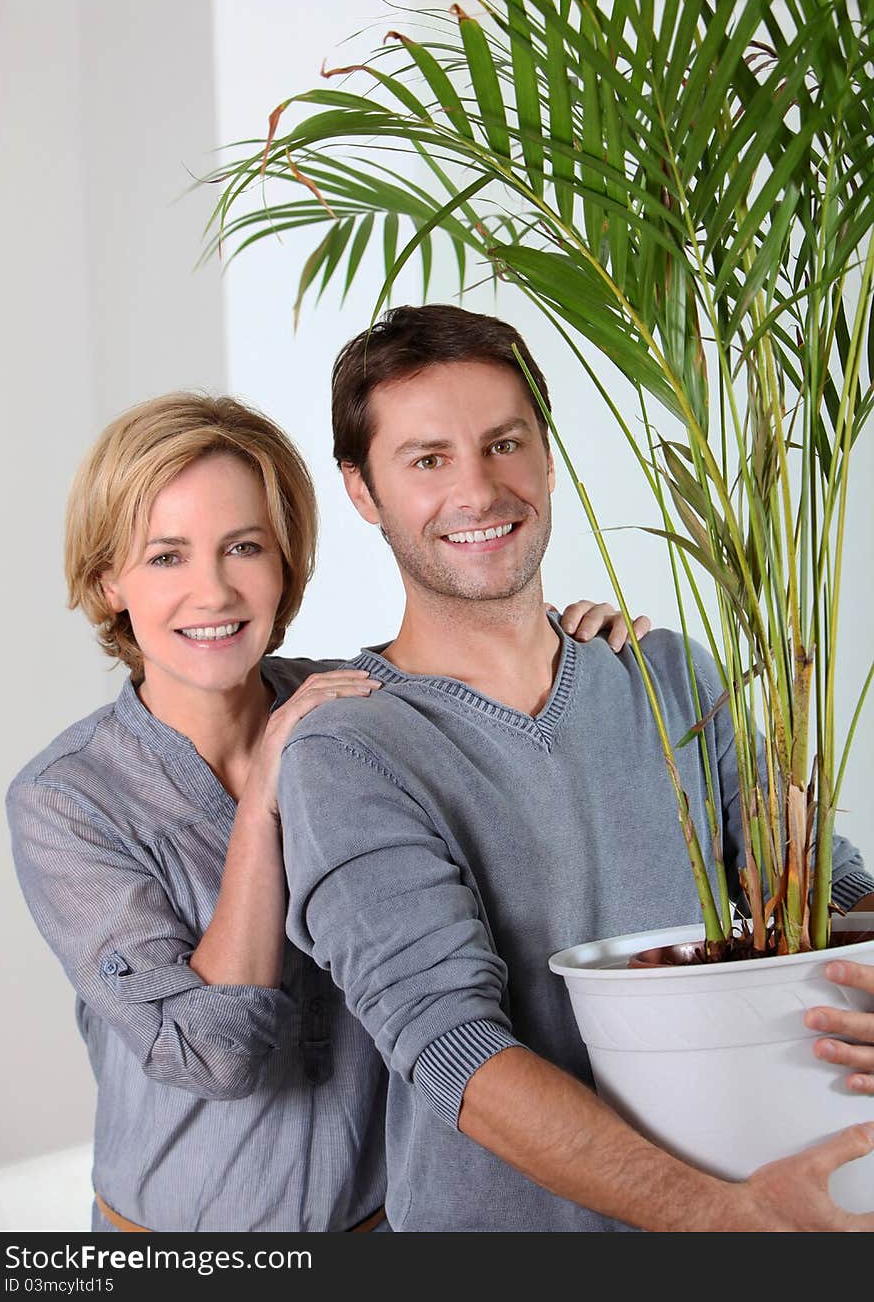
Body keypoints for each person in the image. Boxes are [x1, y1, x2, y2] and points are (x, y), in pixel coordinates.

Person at [277, 304, 874, 1233]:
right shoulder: (349, 751)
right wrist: (719, 1216)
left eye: (504, 443)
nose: (477, 491)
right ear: (362, 490)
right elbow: (453, 1050)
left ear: (548, 456)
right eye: (427, 460)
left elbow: (828, 892)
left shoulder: (670, 673)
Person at [6, 390, 640, 1234]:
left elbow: (520, 776)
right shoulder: (66, 801)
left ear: (287, 563)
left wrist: (572, 652)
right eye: (166, 557)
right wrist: (266, 791)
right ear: (107, 579)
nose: (214, 591)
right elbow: (214, 1054)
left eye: (244, 547)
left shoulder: (364, 712)